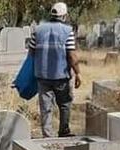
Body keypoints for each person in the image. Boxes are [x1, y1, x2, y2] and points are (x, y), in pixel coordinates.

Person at [28, 2, 81, 137]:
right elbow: (71, 55)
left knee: (46, 108)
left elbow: (31, 52)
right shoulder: (67, 31)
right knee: (64, 104)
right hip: (61, 76)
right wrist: (78, 73)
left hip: (43, 76)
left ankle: (47, 135)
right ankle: (64, 131)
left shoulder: (37, 30)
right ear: (64, 16)